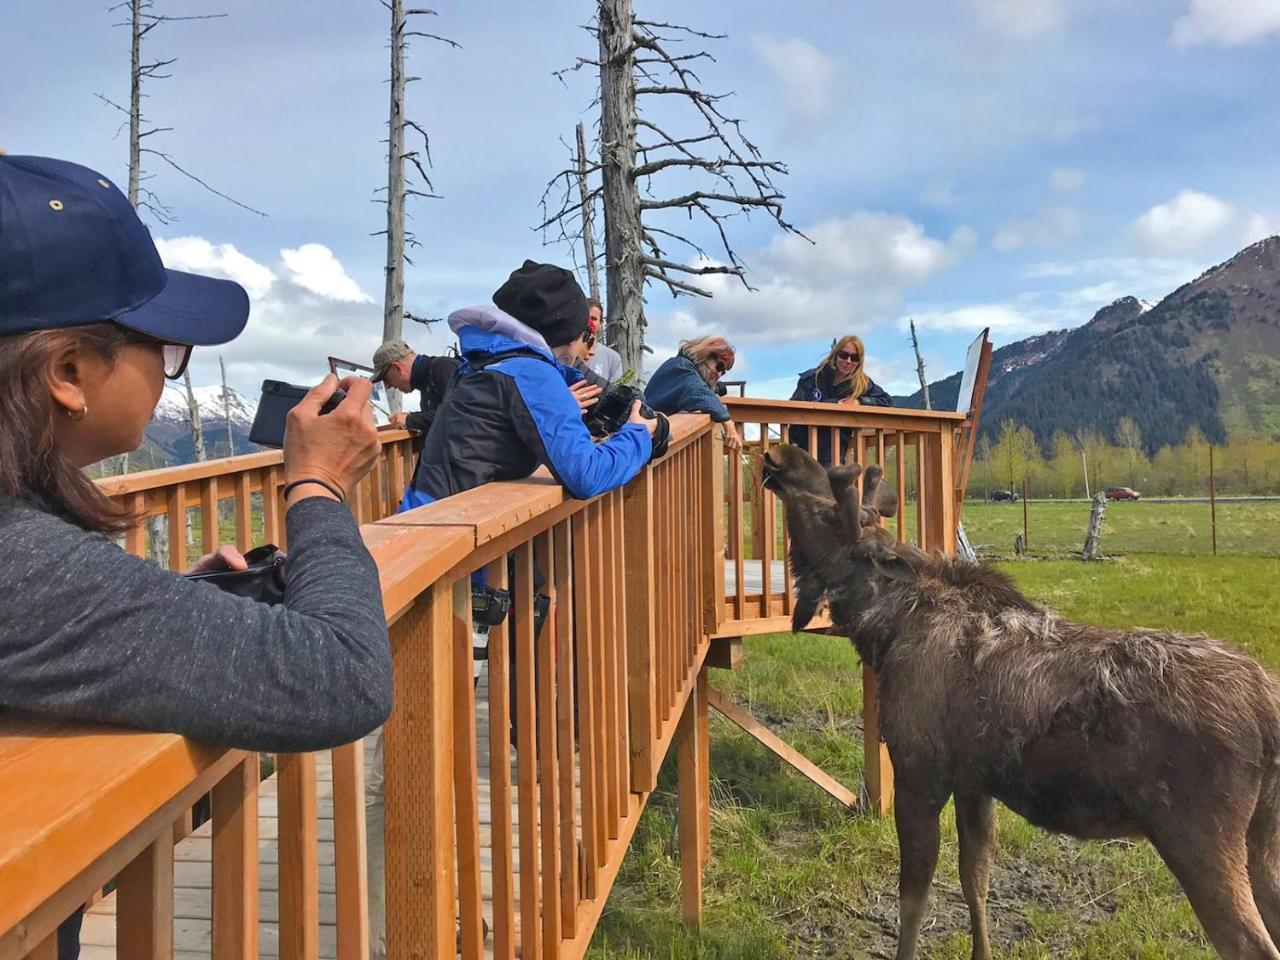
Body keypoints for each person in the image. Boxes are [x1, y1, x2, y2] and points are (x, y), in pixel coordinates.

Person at [0, 155, 392, 959]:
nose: (166, 368)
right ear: (69, 373)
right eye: (164, 345)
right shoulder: (22, 562)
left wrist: (170, 612)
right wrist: (317, 485)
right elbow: (342, 673)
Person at [368, 261, 662, 959]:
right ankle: (404, 932)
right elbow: (585, 474)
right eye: (581, 338)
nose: (586, 349)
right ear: (559, 333)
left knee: (406, 763)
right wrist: (642, 436)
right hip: (443, 582)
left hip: (423, 562)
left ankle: (425, 920)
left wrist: (571, 403)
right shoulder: (529, 375)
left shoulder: (487, 366)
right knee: (408, 772)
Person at [788, 334, 892, 465]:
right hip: (802, 451)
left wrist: (860, 402)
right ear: (835, 354)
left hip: (834, 456)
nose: (848, 361)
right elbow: (794, 408)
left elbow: (886, 401)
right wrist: (833, 405)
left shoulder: (861, 383)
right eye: (844, 355)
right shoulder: (812, 378)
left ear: (859, 361)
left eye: (854, 358)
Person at [644, 335, 743, 453]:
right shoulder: (681, 367)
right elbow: (697, 391)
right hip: (647, 441)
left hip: (652, 441)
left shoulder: (685, 369)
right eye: (719, 366)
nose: (719, 374)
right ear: (705, 355)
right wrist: (728, 424)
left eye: (723, 372)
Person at [370, 338, 458, 437]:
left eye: (386, 379)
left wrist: (410, 420)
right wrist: (410, 417)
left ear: (397, 368)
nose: (390, 386)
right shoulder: (426, 379)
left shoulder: (443, 368)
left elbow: (457, 415)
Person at [581, 297, 624, 382]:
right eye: (586, 317)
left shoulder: (613, 358)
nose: (589, 322)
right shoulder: (568, 353)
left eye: (593, 319)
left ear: (601, 323)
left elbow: (614, 391)